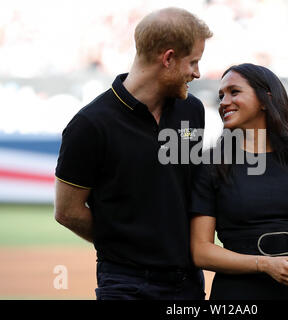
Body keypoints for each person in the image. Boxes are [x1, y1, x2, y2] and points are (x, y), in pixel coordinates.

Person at [54, 7, 213, 300]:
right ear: (168, 59)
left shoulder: (192, 110)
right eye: (193, 62)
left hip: (188, 282)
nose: (197, 73)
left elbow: (189, 188)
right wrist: (128, 246)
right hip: (125, 283)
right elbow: (67, 211)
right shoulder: (90, 125)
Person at [190, 63, 288, 300]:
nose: (223, 102)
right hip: (239, 295)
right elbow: (201, 252)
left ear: (264, 99)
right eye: (221, 95)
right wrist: (264, 264)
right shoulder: (209, 166)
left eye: (234, 92)